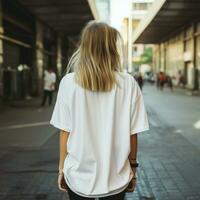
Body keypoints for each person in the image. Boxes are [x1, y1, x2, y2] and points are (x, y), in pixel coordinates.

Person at [50, 21, 149, 200]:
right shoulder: (128, 83)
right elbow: (132, 133)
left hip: (78, 176)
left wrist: (61, 169)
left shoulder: (68, 83)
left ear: (84, 46)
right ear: (112, 47)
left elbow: (65, 131)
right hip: (116, 177)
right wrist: (133, 169)